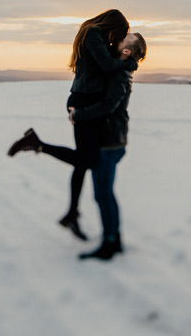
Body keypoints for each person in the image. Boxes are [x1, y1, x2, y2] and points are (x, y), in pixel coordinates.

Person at [7, 9, 137, 240]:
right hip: (83, 104)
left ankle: (72, 213)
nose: (116, 40)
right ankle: (37, 145)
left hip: (87, 102)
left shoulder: (94, 35)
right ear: (113, 26)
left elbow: (108, 61)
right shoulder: (93, 33)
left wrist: (125, 55)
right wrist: (129, 64)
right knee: (86, 160)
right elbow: (107, 64)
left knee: (83, 161)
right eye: (119, 34)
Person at [71, 32, 146, 261]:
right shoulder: (119, 71)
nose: (118, 40)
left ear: (127, 52)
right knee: (107, 194)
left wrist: (79, 114)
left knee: (103, 195)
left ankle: (109, 244)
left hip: (109, 142)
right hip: (112, 140)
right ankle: (114, 238)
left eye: (124, 40)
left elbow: (108, 105)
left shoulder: (120, 75)